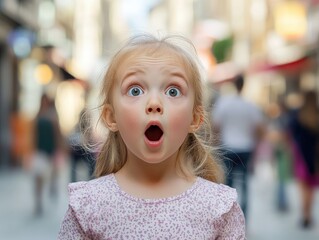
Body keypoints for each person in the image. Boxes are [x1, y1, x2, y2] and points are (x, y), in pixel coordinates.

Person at [58, 34, 246, 239]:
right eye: (135, 90)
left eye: (173, 91)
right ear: (111, 117)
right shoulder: (88, 207)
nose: (154, 103)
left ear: (195, 118)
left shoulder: (219, 208)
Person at [211, 74, 265, 220]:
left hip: (228, 147)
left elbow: (216, 126)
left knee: (228, 184)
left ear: (233, 84)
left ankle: (228, 216)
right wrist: (255, 142)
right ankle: (244, 217)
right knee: (245, 183)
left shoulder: (224, 103)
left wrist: (216, 145)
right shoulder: (250, 105)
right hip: (246, 148)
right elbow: (260, 128)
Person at [288, 90, 319, 228]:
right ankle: (309, 215)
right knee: (311, 189)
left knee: (303, 188)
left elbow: (290, 133)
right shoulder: (317, 113)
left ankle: (304, 215)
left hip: (301, 156)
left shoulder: (298, 114)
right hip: (315, 157)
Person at [31, 93, 62, 215]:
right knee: (38, 176)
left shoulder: (52, 115)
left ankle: (52, 186)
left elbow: (57, 134)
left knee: (52, 173)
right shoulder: (37, 116)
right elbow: (33, 134)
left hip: (51, 150)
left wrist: (60, 148)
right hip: (39, 150)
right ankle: (38, 201)